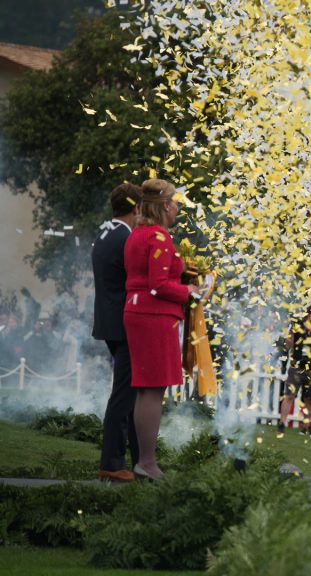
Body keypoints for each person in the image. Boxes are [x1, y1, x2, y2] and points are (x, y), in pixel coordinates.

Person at [123, 179, 198, 480]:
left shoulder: (137, 234)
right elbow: (158, 285)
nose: (178, 207)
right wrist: (189, 290)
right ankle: (147, 461)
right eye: (176, 202)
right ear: (166, 206)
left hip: (138, 311)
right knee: (153, 390)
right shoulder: (159, 237)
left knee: (147, 390)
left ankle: (144, 459)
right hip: (154, 316)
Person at [92, 183, 143, 483]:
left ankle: (140, 459)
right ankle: (112, 462)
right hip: (125, 324)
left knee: (131, 393)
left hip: (110, 322)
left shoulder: (105, 232)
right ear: (136, 207)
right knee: (124, 395)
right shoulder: (126, 237)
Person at [279, 308, 311, 437]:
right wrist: (289, 333)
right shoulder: (295, 325)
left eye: (309, 312)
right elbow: (288, 345)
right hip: (297, 366)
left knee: (309, 399)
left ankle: (306, 426)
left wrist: (309, 330)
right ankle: (282, 423)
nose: (307, 314)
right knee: (289, 396)